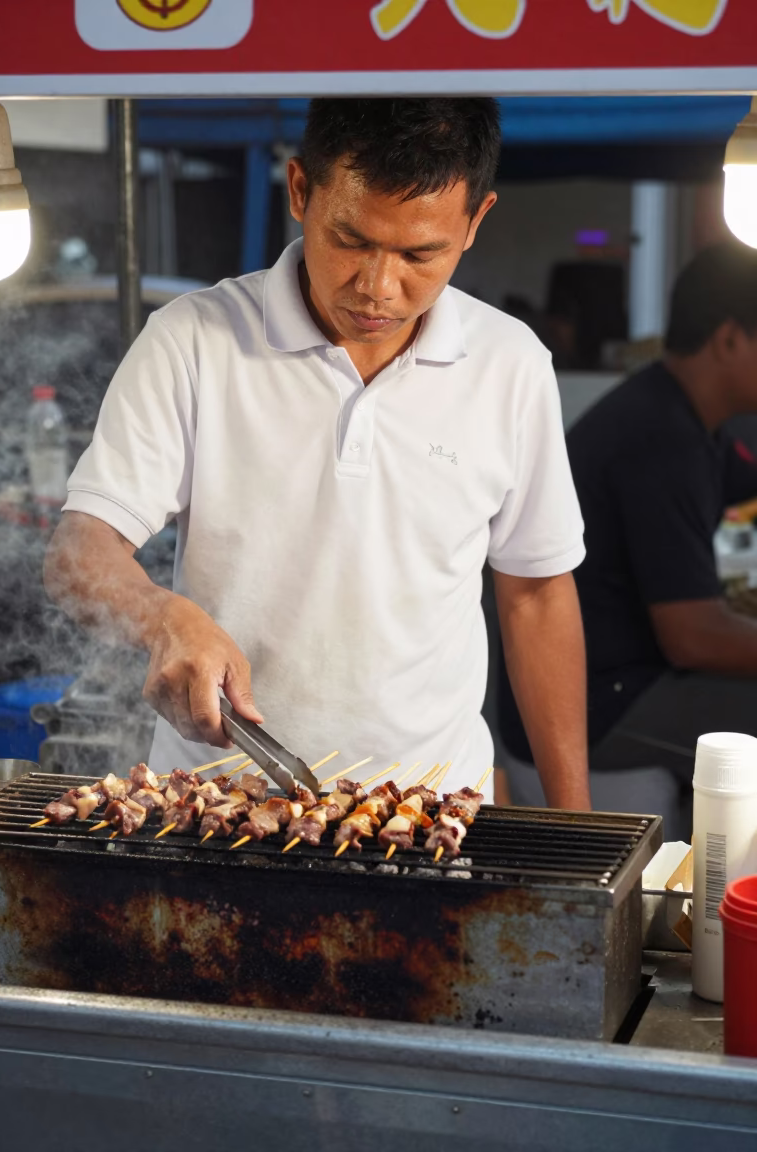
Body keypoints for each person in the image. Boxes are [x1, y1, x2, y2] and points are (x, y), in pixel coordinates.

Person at [44, 97, 589, 806]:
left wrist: (579, 824)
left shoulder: (510, 364)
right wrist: (162, 616)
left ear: (475, 222)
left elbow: (538, 595)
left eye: (420, 255)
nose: (378, 286)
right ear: (300, 191)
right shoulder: (193, 341)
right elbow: (79, 550)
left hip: (429, 808)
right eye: (353, 240)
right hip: (216, 801)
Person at [498, 241, 757, 836]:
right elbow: (693, 636)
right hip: (600, 706)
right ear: (729, 340)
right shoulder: (660, 440)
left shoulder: (689, 416)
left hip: (629, 679)